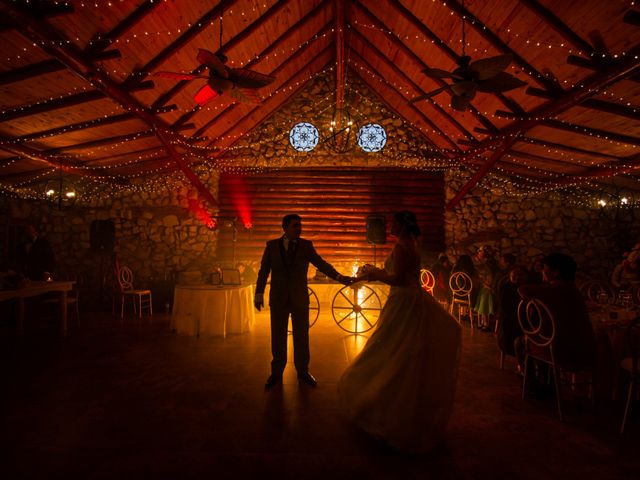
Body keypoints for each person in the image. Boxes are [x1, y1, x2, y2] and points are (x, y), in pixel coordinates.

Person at [337, 211, 461, 454]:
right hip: (412, 298)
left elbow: (398, 279)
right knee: (402, 348)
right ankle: (401, 406)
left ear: (403, 227)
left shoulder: (403, 247)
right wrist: (378, 272)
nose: (390, 227)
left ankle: (382, 404)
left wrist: (373, 273)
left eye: (394, 223)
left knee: (390, 347)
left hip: (403, 300)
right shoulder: (411, 244)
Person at [255, 214, 354, 389]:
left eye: (300, 226)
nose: (299, 229)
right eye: (295, 226)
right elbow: (264, 271)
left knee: (302, 336)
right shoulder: (271, 246)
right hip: (278, 298)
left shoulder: (306, 246)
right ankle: (276, 373)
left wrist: (339, 277)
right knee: (277, 335)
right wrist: (259, 293)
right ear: (284, 228)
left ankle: (303, 372)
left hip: (300, 298)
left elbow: (321, 264)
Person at [517, 253, 596, 374]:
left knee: (520, 342)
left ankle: (532, 381)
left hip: (563, 348)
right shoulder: (572, 289)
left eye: (544, 267)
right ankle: (546, 380)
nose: (541, 271)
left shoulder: (553, 290)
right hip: (585, 344)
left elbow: (523, 289)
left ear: (555, 272)